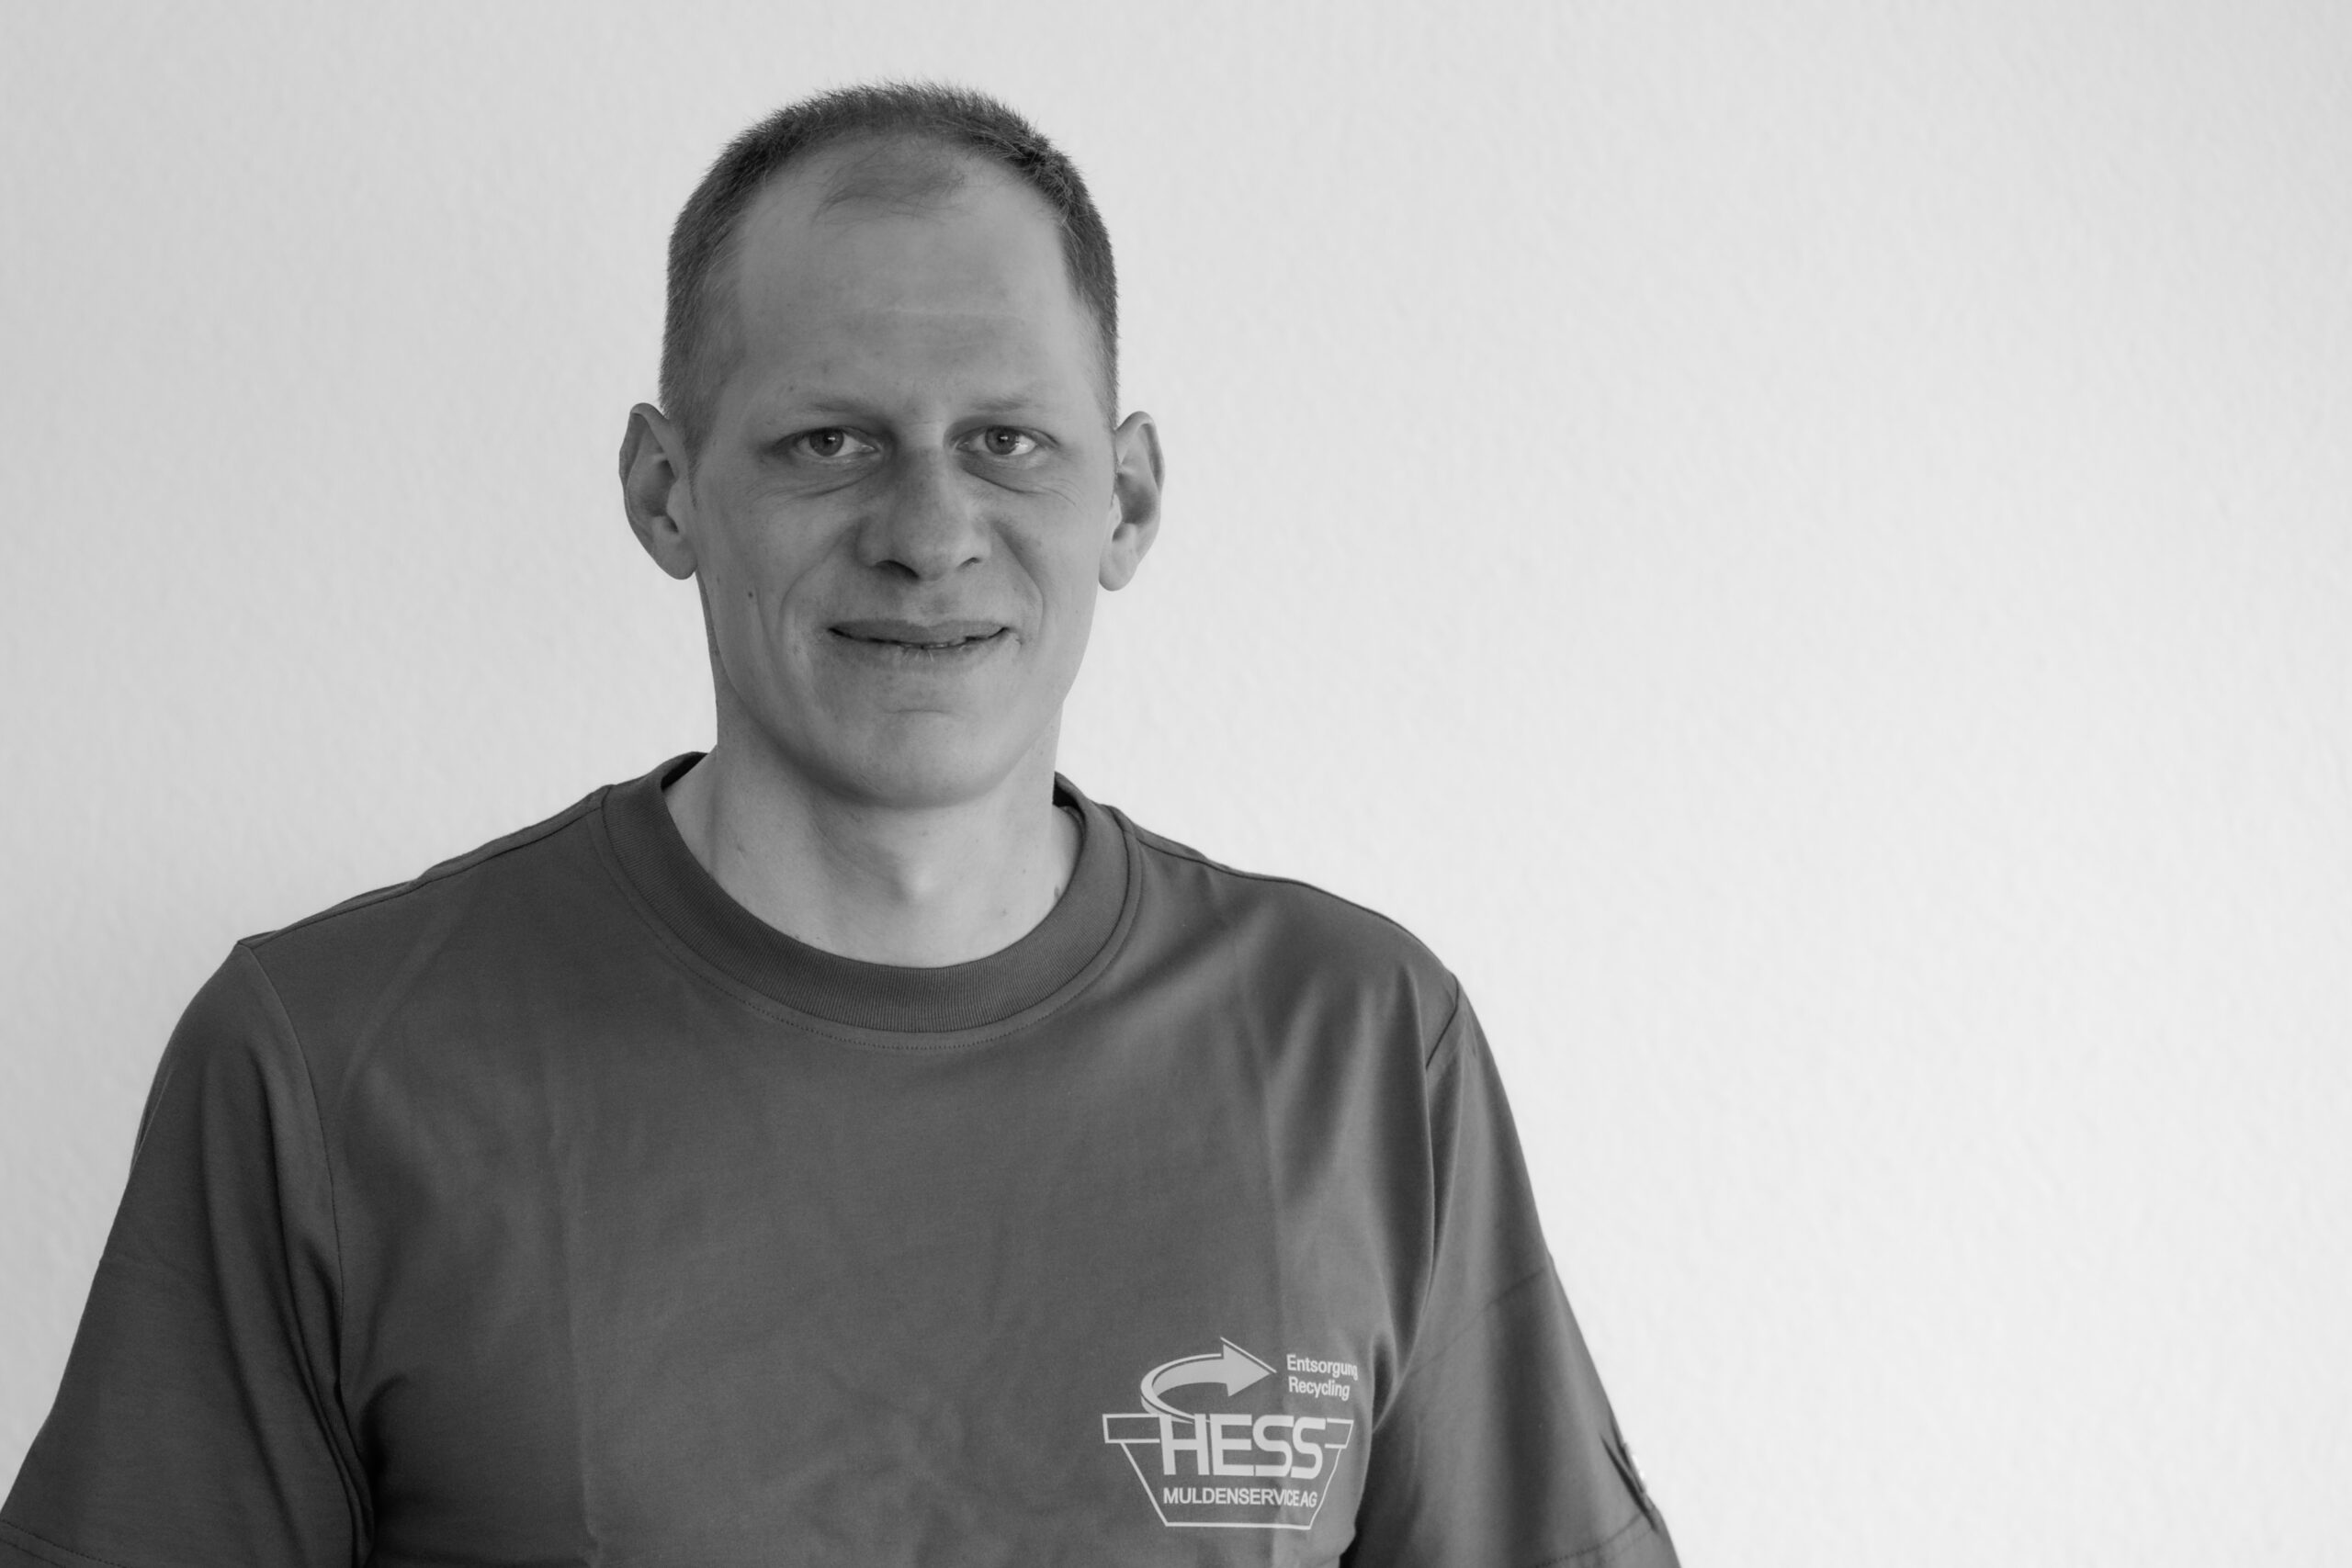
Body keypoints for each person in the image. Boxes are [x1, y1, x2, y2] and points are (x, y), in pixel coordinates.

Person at [0, 84, 1679, 1566]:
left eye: (1006, 441)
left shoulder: (1361, 1047)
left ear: (1128, 499)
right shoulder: (325, 1062)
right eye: (829, 442)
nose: (929, 531)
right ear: (666, 490)